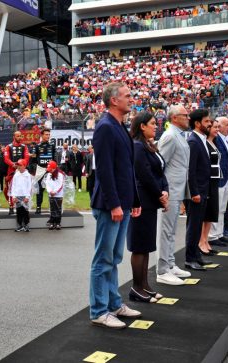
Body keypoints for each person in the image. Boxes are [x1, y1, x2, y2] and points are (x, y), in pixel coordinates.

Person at [90, 82, 142, 329]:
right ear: (113, 100)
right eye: (127, 96)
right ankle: (99, 310)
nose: (131, 99)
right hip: (110, 204)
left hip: (122, 202)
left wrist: (133, 201)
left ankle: (113, 304)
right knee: (103, 259)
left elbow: (127, 169)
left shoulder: (119, 126)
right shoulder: (105, 127)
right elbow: (105, 170)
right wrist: (114, 205)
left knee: (115, 257)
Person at [127, 112, 169, 303]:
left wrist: (165, 190)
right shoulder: (137, 146)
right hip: (142, 201)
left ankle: (144, 285)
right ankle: (136, 287)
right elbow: (144, 175)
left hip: (152, 200)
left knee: (145, 246)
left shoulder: (149, 145)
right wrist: (160, 195)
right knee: (139, 246)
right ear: (142, 126)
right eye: (153, 123)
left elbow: (160, 171)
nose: (156, 126)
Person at [156, 104, 192, 286]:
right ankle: (162, 270)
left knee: (171, 231)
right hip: (169, 189)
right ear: (175, 117)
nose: (188, 118)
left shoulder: (178, 135)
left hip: (177, 189)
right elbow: (160, 164)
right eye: (185, 115)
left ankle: (169, 264)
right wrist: (163, 190)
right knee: (166, 231)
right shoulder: (170, 136)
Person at [185, 109, 213, 271]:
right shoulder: (194, 141)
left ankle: (196, 255)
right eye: (207, 121)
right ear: (197, 123)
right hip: (196, 192)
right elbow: (191, 170)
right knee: (194, 226)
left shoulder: (201, 139)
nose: (209, 124)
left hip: (203, 190)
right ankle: (190, 258)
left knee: (197, 226)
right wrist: (194, 192)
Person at [209, 117, 228, 246]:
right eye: (226, 125)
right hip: (219, 178)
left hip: (226, 178)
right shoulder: (216, 138)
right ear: (219, 126)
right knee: (217, 207)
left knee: (222, 208)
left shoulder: (224, 138)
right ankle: (212, 235)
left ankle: (219, 233)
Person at [198, 119, 221, 256]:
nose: (217, 129)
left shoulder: (214, 143)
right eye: (215, 127)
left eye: (219, 127)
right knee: (205, 213)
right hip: (208, 181)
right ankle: (201, 241)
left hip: (215, 180)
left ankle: (206, 239)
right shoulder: (205, 143)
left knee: (211, 213)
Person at [4, 131, 30, 215]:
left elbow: (26, 157)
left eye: (20, 136)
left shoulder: (24, 146)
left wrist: (21, 165)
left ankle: (23, 205)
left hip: (21, 169)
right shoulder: (8, 147)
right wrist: (13, 165)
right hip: (11, 170)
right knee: (10, 188)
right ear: (14, 137)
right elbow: (6, 158)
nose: (19, 137)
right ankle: (11, 206)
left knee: (23, 187)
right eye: (18, 136)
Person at [33, 128, 56, 215]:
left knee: (52, 190)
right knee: (40, 190)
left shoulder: (52, 145)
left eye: (49, 134)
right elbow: (33, 160)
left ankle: (53, 207)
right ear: (42, 135)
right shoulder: (37, 146)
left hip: (50, 171)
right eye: (46, 134)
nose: (48, 136)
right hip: (40, 170)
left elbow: (54, 159)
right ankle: (38, 207)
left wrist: (54, 169)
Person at [10, 159, 32, 232]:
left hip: (25, 196)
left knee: (25, 211)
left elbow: (29, 187)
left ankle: (26, 225)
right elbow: (13, 186)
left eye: (20, 165)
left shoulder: (28, 175)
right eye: (18, 165)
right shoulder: (16, 175)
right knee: (19, 211)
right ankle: (19, 225)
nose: (18, 167)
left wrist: (27, 196)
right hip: (17, 196)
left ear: (24, 166)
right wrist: (14, 196)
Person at [45, 160, 64, 230]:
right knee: (52, 208)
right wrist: (50, 191)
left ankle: (58, 222)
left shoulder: (60, 175)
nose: (49, 171)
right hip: (51, 194)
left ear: (54, 168)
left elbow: (60, 185)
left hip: (58, 195)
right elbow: (47, 184)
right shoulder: (48, 175)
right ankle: (52, 222)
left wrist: (55, 192)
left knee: (58, 209)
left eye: (50, 169)